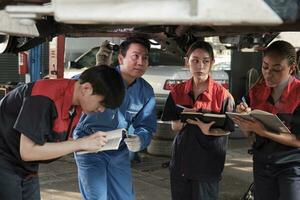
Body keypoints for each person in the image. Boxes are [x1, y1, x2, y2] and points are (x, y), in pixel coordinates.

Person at [0, 65, 125, 200]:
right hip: (5, 160)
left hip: (25, 166)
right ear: (86, 88)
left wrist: (87, 144)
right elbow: (28, 152)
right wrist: (80, 143)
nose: (101, 110)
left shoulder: (76, 101)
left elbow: (54, 139)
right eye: (102, 103)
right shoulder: (43, 98)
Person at [73, 37, 157, 200]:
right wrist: (97, 71)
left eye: (145, 58)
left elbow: (146, 125)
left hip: (118, 150)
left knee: (124, 197)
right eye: (135, 56)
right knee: (97, 197)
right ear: (120, 58)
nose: (140, 62)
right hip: (89, 145)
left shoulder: (145, 91)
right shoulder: (101, 76)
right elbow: (72, 89)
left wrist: (141, 139)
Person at [161, 40, 235, 200]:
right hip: (181, 160)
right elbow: (174, 126)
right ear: (187, 62)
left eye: (205, 61)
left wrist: (209, 130)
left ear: (212, 63)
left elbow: (228, 129)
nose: (200, 66)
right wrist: (187, 118)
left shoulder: (223, 95)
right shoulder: (177, 91)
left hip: (207, 163)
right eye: (195, 60)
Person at [232, 40, 300, 200]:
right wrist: (243, 116)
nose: (269, 73)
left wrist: (263, 131)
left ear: (291, 68)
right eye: (265, 67)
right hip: (262, 162)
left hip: (292, 165)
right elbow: (248, 132)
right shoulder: (256, 91)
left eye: (277, 69)